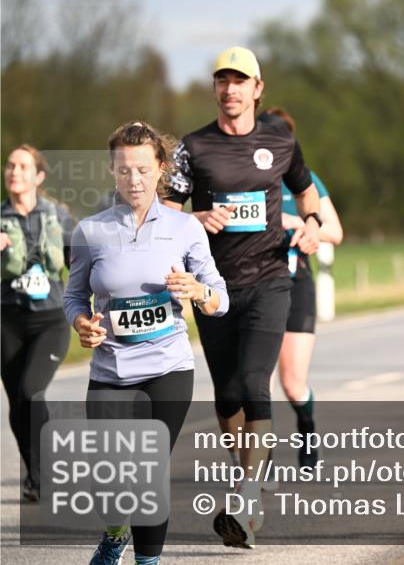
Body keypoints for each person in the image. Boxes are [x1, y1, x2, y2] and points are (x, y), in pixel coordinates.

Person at [164, 47, 321, 548]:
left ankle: (247, 496)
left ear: (257, 89)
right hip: (211, 285)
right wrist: (193, 219)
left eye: (239, 81)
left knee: (256, 380)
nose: (229, 89)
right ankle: (245, 469)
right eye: (221, 81)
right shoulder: (193, 147)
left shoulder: (280, 141)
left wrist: (312, 223)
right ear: (215, 89)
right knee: (228, 391)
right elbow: (164, 211)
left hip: (271, 278)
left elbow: (307, 190)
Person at [64, 122, 228, 565]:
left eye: (142, 169)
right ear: (112, 171)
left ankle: (147, 561)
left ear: (160, 169)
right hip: (111, 370)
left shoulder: (185, 228)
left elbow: (219, 297)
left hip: (168, 369)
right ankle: (115, 534)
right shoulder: (90, 231)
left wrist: (199, 292)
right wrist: (81, 322)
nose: (133, 180)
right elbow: (74, 295)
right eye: (123, 170)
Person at [266, 107, 343, 470]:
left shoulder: (304, 179)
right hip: (251, 283)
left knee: (293, 384)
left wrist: (298, 221)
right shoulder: (237, 176)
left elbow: (335, 232)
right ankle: (254, 461)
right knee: (252, 382)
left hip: (296, 282)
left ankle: (306, 426)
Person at [1, 145, 75, 501]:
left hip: (51, 318)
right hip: (8, 320)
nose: (14, 171)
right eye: (10, 165)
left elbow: (80, 261)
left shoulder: (58, 216)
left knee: (31, 391)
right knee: (17, 402)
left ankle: (45, 471)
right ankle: (36, 476)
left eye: (23, 166)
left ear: (38, 176)